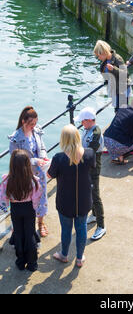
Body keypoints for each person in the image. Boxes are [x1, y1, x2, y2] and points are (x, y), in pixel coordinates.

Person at [48, 124, 96, 267]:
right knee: (81, 228)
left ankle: (64, 254)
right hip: (84, 200)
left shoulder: (59, 158)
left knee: (66, 229)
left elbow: (50, 174)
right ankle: (79, 258)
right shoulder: (89, 153)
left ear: (63, 140)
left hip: (65, 201)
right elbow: (92, 166)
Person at [9, 106, 49, 238]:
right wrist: (34, 161)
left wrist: (43, 156)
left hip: (39, 173)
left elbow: (42, 146)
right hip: (24, 175)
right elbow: (15, 160)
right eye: (31, 124)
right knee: (24, 201)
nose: (34, 126)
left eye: (35, 123)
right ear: (23, 122)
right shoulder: (15, 139)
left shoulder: (36, 132)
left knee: (41, 199)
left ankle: (41, 222)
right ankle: (18, 224)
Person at [0, 150, 42, 272]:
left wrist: (4, 208)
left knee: (18, 234)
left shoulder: (6, 180)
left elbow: (3, 197)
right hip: (29, 208)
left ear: (12, 164)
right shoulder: (33, 180)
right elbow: (37, 197)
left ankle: (20, 261)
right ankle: (32, 263)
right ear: (27, 164)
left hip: (15, 209)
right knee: (30, 234)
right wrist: (34, 208)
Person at [74, 107, 106, 241]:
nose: (81, 123)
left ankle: (101, 225)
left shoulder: (96, 133)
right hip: (87, 163)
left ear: (88, 121)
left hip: (93, 165)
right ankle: (93, 214)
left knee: (95, 194)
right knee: (89, 190)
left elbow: (90, 151)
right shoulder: (88, 130)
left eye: (82, 121)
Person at [94, 40, 128, 110]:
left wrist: (113, 69)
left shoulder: (117, 59)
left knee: (121, 111)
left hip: (121, 90)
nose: (98, 58)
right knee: (117, 109)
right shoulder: (104, 62)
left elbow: (125, 74)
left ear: (103, 53)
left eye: (98, 56)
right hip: (115, 90)